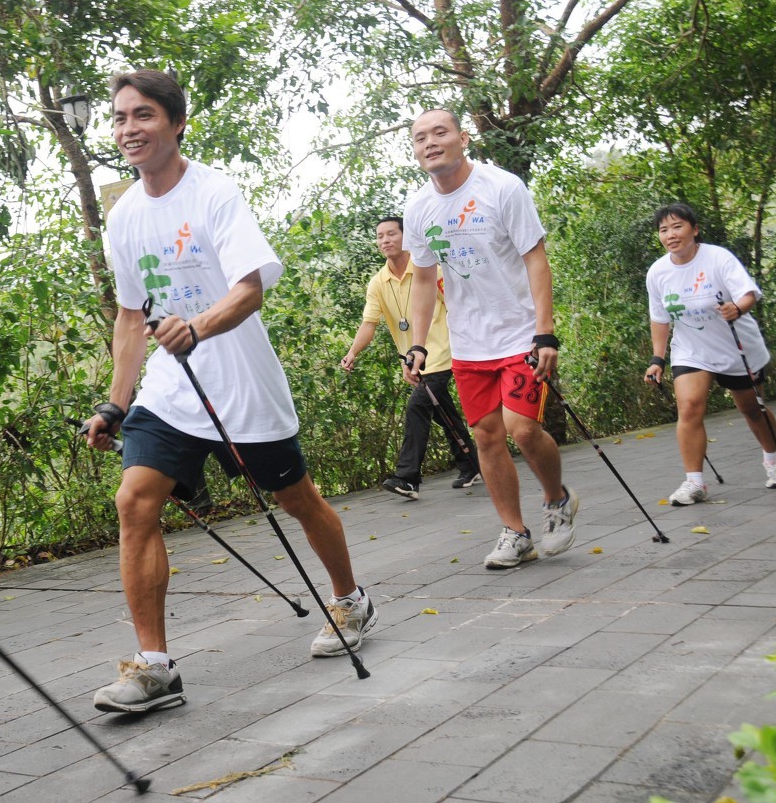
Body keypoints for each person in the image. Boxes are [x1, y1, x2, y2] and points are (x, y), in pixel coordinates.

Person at [82, 70, 375, 712]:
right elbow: (131, 318)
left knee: (296, 498)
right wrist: (116, 401)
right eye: (121, 118)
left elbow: (250, 286)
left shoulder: (214, 193)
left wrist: (200, 326)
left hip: (241, 382)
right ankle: (155, 669)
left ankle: (351, 599)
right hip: (170, 389)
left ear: (176, 122)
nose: (129, 129)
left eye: (144, 116)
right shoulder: (125, 215)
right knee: (135, 501)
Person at [401, 108, 577, 569]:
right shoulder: (418, 207)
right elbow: (423, 280)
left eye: (440, 132)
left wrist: (545, 332)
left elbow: (536, 259)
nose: (430, 142)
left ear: (462, 137)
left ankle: (557, 499)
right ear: (415, 150)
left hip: (520, 335)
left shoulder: (502, 187)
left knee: (522, 428)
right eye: (421, 138)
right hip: (469, 343)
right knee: (486, 436)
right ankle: (516, 532)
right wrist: (417, 344)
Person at [646, 203, 776, 504]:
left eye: (677, 227)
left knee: (752, 409)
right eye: (663, 230)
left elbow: (748, 294)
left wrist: (737, 308)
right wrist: (657, 359)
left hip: (736, 346)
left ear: (694, 230)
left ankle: (774, 461)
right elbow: (659, 318)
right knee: (690, 406)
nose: (670, 235)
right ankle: (694, 483)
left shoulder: (718, 258)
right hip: (691, 349)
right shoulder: (658, 272)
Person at [341, 215, 481, 499]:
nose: (385, 240)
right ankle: (471, 463)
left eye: (391, 233)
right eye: (380, 236)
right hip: (412, 357)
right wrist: (352, 351)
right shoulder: (378, 283)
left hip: (442, 351)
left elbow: (458, 304)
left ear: (406, 237)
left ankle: (407, 477)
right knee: (440, 409)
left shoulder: (430, 271)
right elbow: (369, 324)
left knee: (418, 405)